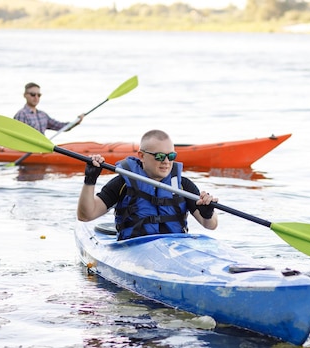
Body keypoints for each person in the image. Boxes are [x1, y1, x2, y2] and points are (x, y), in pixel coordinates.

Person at [77, 129, 218, 239]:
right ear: (142, 156)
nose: (166, 162)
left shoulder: (182, 185)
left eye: (171, 156)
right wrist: (90, 180)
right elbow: (86, 215)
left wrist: (208, 213)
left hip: (175, 249)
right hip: (134, 250)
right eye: (160, 156)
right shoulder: (123, 183)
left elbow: (211, 225)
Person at [14, 82, 84, 134]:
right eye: (33, 94)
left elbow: (61, 127)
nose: (36, 97)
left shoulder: (43, 115)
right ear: (25, 95)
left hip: (41, 150)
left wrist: (76, 122)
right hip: (28, 150)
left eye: (39, 95)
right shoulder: (21, 114)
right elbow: (19, 137)